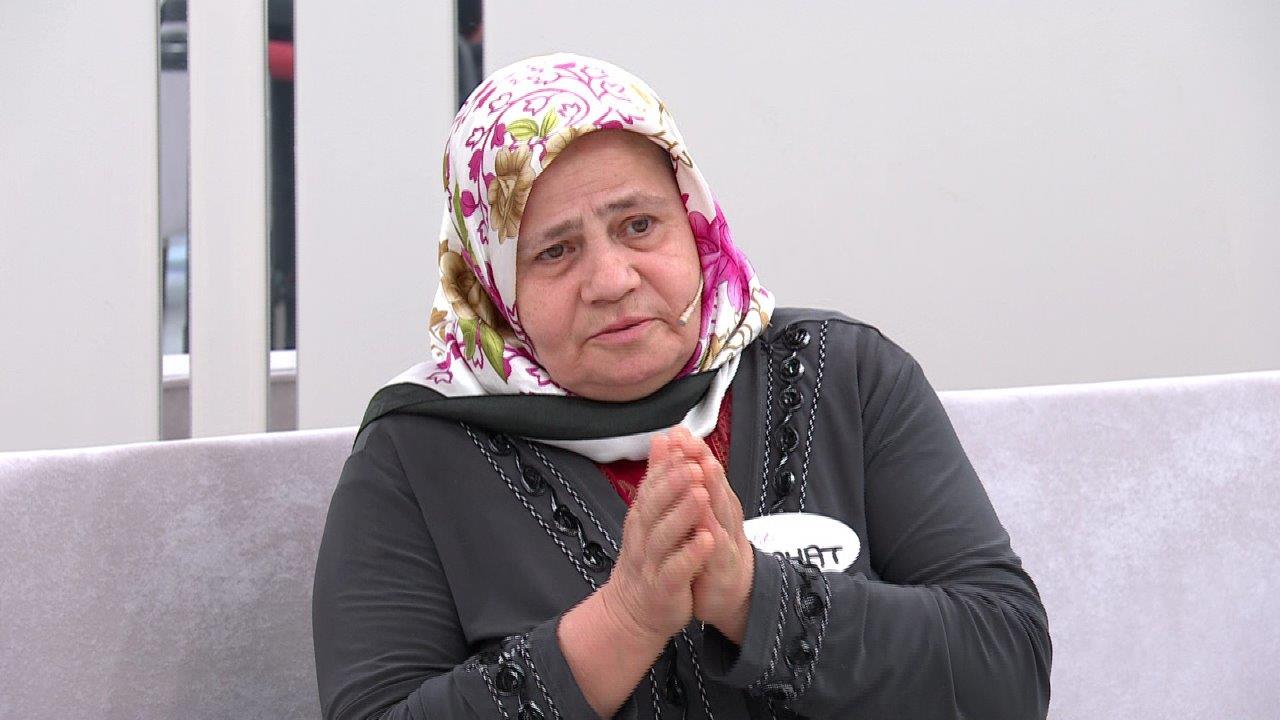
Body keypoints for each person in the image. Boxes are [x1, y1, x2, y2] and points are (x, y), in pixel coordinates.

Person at [312, 52, 1051, 720]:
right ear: (494, 288)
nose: (611, 280)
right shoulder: (417, 455)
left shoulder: (844, 376)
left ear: (695, 225)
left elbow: (1008, 673)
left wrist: (751, 595)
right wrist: (625, 620)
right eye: (555, 251)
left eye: (639, 225)